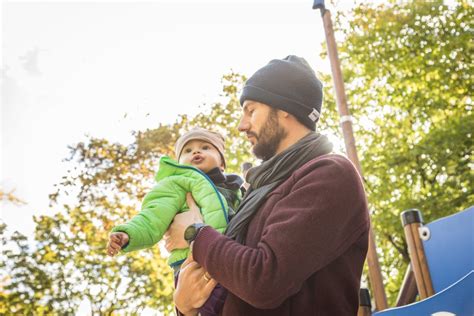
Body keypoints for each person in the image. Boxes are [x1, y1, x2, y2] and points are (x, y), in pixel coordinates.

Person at [166, 55, 370, 315]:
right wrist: (184, 306)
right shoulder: (256, 191)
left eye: (251, 110)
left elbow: (263, 279)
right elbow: (226, 288)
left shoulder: (330, 175)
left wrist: (196, 232)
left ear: (285, 108)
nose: (242, 125)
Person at [106, 127, 244, 270]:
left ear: (222, 163)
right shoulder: (177, 184)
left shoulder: (236, 189)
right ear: (180, 163)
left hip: (232, 257)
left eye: (205, 147)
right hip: (192, 263)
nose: (196, 152)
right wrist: (129, 233)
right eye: (188, 151)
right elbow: (153, 216)